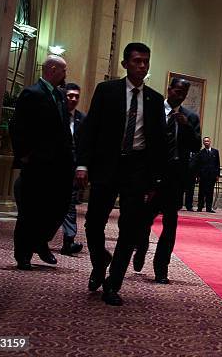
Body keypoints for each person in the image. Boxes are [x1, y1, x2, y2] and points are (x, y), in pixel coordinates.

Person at [76, 42, 165, 306]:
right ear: (125, 64)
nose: (142, 66)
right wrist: (82, 164)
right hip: (107, 165)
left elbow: (158, 142)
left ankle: (113, 285)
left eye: (146, 61)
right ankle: (99, 261)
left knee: (130, 230)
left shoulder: (154, 99)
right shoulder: (107, 91)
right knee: (93, 223)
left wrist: (155, 180)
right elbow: (90, 130)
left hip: (136, 169)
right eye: (137, 61)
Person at [133, 77, 201, 284]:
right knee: (144, 221)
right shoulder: (153, 110)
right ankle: (141, 248)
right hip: (153, 176)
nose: (179, 96)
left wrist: (187, 126)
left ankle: (161, 268)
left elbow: (196, 146)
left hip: (175, 179)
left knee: (170, 225)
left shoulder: (190, 117)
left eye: (184, 93)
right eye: (177, 91)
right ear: (169, 89)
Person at [10, 55, 74, 270]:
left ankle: (40, 240)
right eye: (63, 70)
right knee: (30, 210)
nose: (66, 74)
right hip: (37, 162)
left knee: (59, 206)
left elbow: (64, 129)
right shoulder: (32, 93)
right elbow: (18, 126)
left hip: (59, 164)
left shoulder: (60, 95)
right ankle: (23, 254)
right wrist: (23, 154)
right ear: (52, 69)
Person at [59, 82, 85, 256]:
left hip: (73, 169)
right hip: (54, 167)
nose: (74, 99)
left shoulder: (82, 119)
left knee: (70, 205)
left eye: (76, 96)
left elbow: (85, 145)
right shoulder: (56, 115)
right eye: (70, 95)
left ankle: (68, 241)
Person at [196, 136, 220, 213]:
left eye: (207, 141)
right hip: (203, 176)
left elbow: (217, 164)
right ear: (203, 143)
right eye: (205, 141)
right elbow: (198, 165)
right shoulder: (201, 152)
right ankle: (200, 207)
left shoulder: (215, 152)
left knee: (210, 192)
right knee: (201, 192)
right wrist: (198, 176)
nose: (206, 142)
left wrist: (217, 175)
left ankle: (208, 208)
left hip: (212, 176)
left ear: (210, 142)